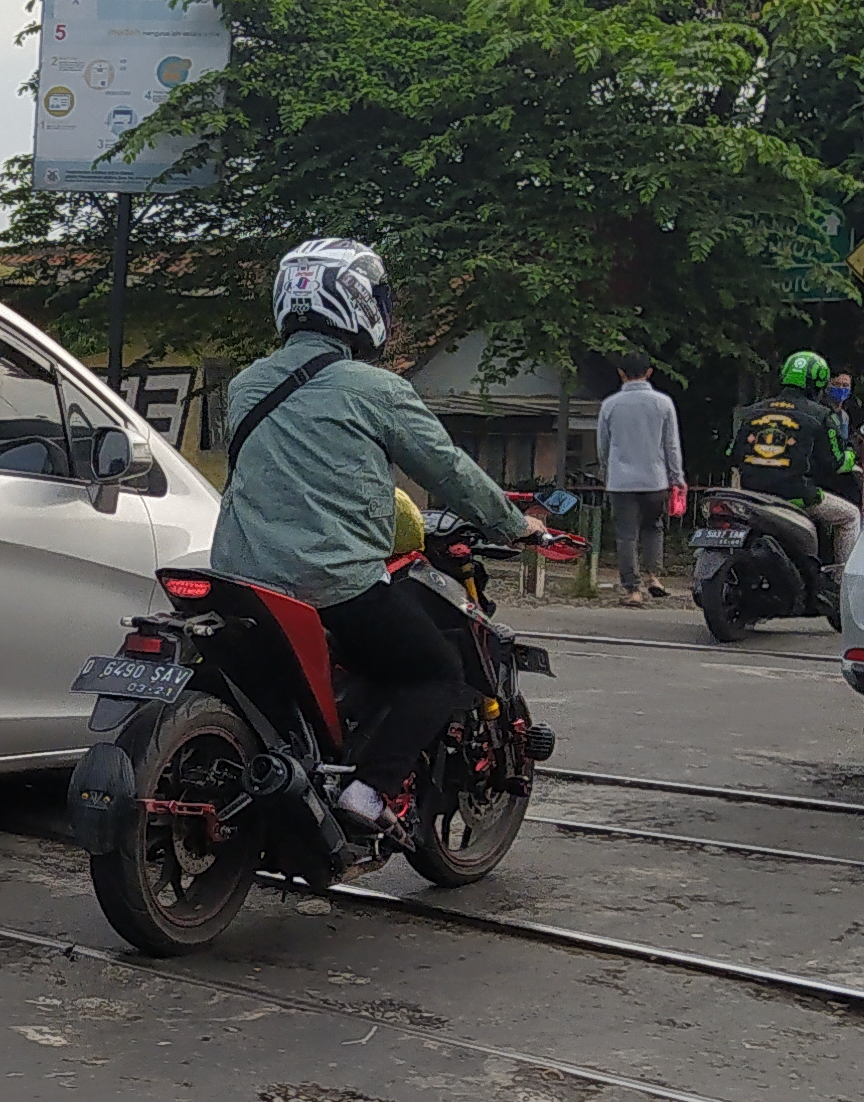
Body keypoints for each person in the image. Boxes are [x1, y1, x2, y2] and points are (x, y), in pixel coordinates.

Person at [208, 238, 549, 835]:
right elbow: (447, 470)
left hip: (239, 576)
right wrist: (514, 524)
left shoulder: (244, 385)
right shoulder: (376, 389)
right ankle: (369, 791)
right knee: (435, 670)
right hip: (330, 582)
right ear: (359, 304)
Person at [730, 349, 862, 574]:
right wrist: (850, 454)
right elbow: (835, 462)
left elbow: (732, 453)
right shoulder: (821, 416)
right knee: (850, 517)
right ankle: (843, 582)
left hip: (751, 493)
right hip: (798, 495)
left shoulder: (752, 412)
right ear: (819, 382)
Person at [595, 352, 683, 604]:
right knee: (653, 528)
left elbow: (603, 445)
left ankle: (632, 590)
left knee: (626, 536)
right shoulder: (663, 403)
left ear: (621, 373)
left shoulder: (610, 405)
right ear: (649, 372)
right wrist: (677, 477)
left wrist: (606, 472)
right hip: (655, 480)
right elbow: (671, 445)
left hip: (620, 482)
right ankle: (653, 576)